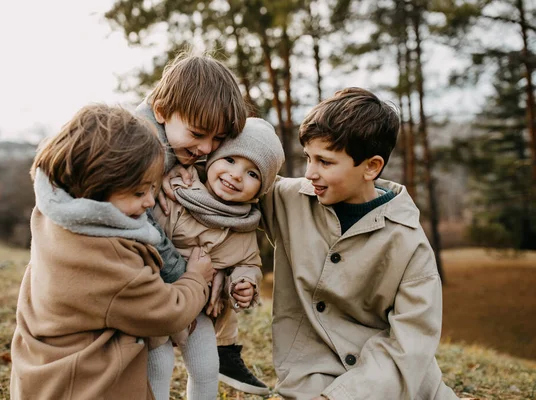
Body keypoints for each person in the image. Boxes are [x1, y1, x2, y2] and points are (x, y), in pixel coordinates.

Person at [259, 88, 460, 399]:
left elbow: (411, 342)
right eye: (308, 158)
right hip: (310, 378)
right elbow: (224, 177)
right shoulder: (287, 199)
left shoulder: (409, 242)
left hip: (397, 384)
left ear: (371, 167)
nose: (309, 172)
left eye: (325, 162)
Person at [9, 105, 214, 400]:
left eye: (152, 189)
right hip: (87, 387)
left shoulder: (52, 214)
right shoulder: (109, 258)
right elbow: (169, 312)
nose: (149, 202)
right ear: (97, 186)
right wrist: (195, 277)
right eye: (138, 192)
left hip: (42, 375)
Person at [135, 51, 270, 395]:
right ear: (161, 111)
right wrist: (189, 277)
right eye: (198, 134)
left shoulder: (182, 149)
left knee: (202, 361)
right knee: (159, 359)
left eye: (216, 140)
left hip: (173, 289)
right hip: (139, 287)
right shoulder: (138, 150)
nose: (206, 148)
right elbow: (145, 228)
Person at [148, 118, 284, 399]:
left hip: (201, 310)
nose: (236, 175)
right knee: (158, 365)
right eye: (231, 160)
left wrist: (244, 282)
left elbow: (248, 263)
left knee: (207, 367)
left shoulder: (245, 223)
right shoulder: (177, 190)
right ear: (212, 159)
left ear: (261, 189)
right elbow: (151, 237)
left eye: (253, 174)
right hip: (160, 300)